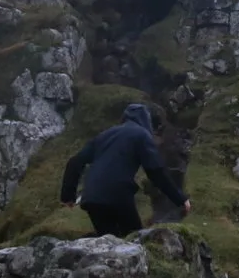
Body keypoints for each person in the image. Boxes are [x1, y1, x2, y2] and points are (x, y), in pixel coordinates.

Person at [60, 102, 186, 237]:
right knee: (134, 238)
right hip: (118, 194)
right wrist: (180, 199)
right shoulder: (141, 134)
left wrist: (68, 196)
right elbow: (156, 172)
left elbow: (74, 162)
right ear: (146, 121)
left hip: (92, 197)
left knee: (109, 240)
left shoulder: (104, 135)